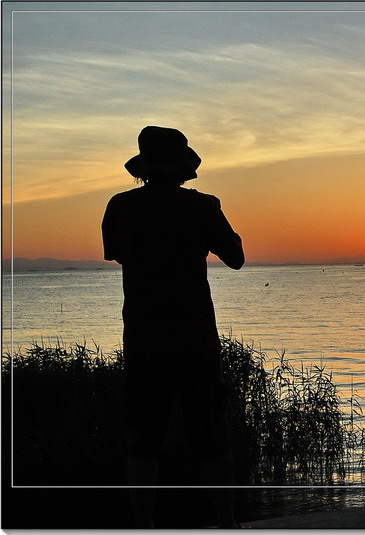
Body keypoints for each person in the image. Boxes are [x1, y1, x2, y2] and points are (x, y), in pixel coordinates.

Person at [102, 126, 245, 528]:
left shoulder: (121, 206)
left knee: (143, 440)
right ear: (182, 167)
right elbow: (236, 257)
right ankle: (226, 522)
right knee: (211, 435)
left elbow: (116, 253)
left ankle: (144, 525)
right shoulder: (202, 207)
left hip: (144, 338)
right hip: (195, 337)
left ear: (144, 167)